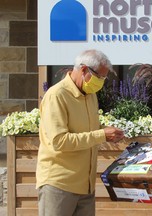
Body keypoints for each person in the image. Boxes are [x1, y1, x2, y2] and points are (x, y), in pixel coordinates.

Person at [36, 49, 125, 216]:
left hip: (86, 185)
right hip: (59, 184)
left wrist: (108, 132)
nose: (102, 82)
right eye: (100, 77)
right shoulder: (56, 95)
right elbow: (59, 141)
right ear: (84, 70)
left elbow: (86, 132)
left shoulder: (90, 95)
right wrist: (101, 135)